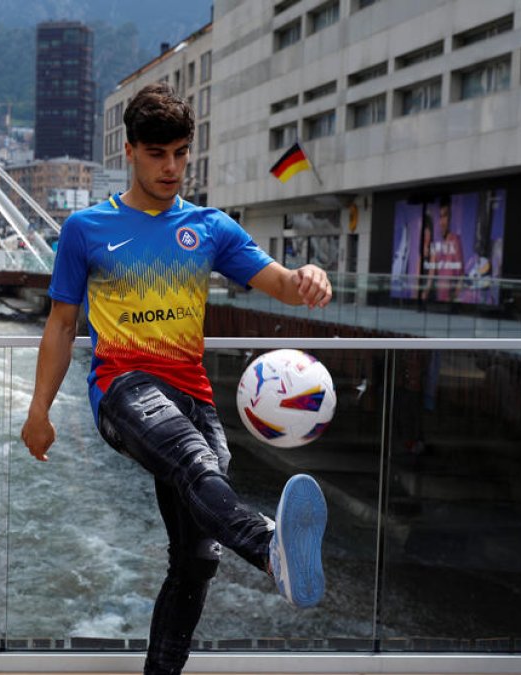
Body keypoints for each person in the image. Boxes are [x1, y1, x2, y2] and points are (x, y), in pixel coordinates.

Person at [20, 83, 331, 675]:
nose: (171, 167)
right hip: (124, 388)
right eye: (158, 153)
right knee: (194, 461)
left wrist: (311, 276)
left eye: (181, 153)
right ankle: (270, 546)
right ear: (132, 151)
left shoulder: (210, 228)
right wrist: (40, 411)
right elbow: (62, 326)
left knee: (196, 559)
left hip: (194, 395)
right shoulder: (85, 229)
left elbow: (284, 283)